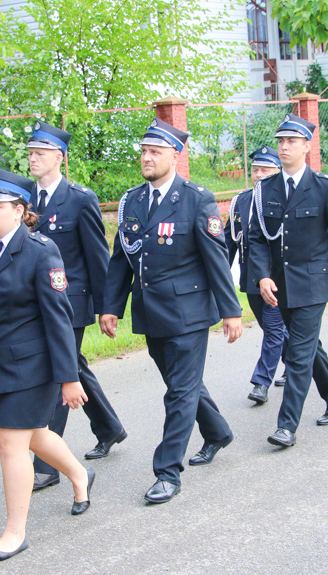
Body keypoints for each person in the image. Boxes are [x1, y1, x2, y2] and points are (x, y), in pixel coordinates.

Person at [100, 119, 242, 504]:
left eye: (155, 152)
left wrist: (231, 310)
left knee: (179, 392)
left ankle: (167, 472)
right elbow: (120, 259)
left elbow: (217, 259)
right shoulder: (132, 200)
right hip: (151, 312)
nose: (147, 158)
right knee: (183, 385)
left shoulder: (197, 199)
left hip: (190, 313)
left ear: (175, 157)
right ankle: (216, 432)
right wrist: (111, 307)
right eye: (144, 151)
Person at [0, 168, 94, 562]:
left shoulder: (41, 252)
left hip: (35, 367)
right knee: (34, 434)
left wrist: (69, 378)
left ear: (19, 211)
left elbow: (58, 319)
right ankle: (79, 474)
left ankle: (14, 532)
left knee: (10, 440)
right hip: (0, 365)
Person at [248, 114, 328, 446]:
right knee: (308, 347)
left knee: (297, 354)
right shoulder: (265, 188)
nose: (284, 147)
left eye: (291, 142)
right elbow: (257, 239)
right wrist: (261, 276)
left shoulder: (324, 187)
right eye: (281, 141)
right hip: (280, 286)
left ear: (307, 146)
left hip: (313, 285)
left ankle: (287, 426)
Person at [24, 122, 127, 491]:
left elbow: (98, 257)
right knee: (73, 366)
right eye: (30, 152)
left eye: (40, 152)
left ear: (59, 157)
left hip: (71, 302)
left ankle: (48, 463)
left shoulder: (80, 199)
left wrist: (106, 307)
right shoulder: (25, 199)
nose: (33, 158)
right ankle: (110, 428)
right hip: (35, 304)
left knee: (57, 373)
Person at [225, 145, 288, 405]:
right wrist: (218, 275)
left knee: (273, 330)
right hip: (250, 277)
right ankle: (300, 363)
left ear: (277, 171)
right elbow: (229, 242)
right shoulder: (241, 200)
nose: (259, 174)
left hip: (276, 278)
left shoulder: (284, 197)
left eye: (266, 169)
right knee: (277, 330)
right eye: (256, 169)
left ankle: (261, 382)